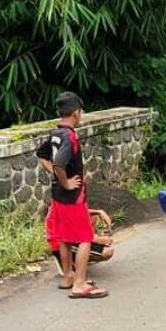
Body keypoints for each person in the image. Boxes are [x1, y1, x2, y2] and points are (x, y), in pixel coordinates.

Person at [44, 92, 108, 299]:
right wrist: (66, 181)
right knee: (84, 238)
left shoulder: (55, 133)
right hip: (73, 196)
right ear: (76, 112)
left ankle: (68, 276)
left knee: (64, 236)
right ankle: (79, 284)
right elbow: (59, 163)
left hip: (58, 195)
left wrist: (57, 179)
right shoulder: (69, 136)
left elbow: (41, 156)